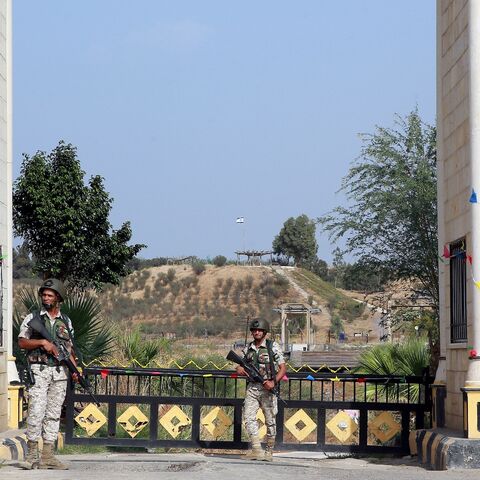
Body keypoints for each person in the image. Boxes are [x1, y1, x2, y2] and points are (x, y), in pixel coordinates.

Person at [18, 278, 77, 470]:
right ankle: (32, 455)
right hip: (40, 371)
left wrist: (75, 370)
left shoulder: (65, 321)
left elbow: (70, 349)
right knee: (36, 411)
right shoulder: (33, 318)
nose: (46, 297)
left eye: (50, 295)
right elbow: (22, 342)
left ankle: (48, 456)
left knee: (53, 414)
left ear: (58, 298)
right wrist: (43, 343)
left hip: (60, 373)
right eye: (44, 294)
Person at [235, 318, 286, 462]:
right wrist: (239, 369)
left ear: (265, 332)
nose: (257, 332)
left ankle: (269, 450)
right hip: (252, 388)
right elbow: (240, 365)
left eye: (260, 330)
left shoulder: (272, 347)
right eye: (254, 330)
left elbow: (283, 368)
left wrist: (273, 382)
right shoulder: (248, 348)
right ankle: (257, 449)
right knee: (249, 417)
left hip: (267, 389)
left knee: (270, 419)